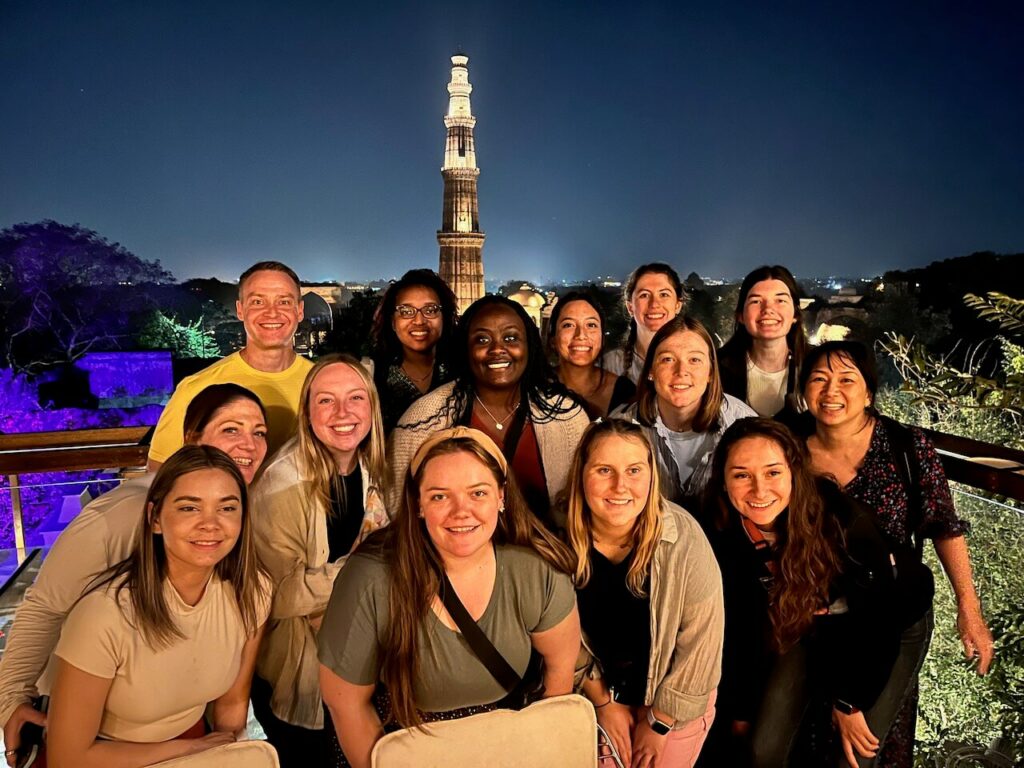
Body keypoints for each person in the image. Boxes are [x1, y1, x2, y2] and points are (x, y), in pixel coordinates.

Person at [0, 384, 269, 765]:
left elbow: (230, 701)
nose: (249, 445)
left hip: (177, 729)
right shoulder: (112, 523)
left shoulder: (240, 559)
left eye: (259, 432)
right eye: (231, 429)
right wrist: (12, 697)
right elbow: (44, 608)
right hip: (93, 727)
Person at [318, 427, 582, 768]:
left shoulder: (536, 571)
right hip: (404, 746)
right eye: (440, 496)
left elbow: (559, 679)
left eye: (478, 493)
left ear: (501, 496)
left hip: (508, 743)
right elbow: (346, 704)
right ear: (418, 504)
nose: (461, 512)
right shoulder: (370, 578)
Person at [799, 340, 993, 768]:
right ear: (803, 391)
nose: (832, 390)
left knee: (869, 748)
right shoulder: (788, 447)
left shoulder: (906, 446)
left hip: (889, 620)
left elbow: (944, 526)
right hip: (817, 624)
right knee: (814, 740)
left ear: (869, 392)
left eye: (847, 380)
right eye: (819, 379)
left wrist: (969, 608)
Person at [705, 418, 933, 768]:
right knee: (762, 748)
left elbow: (877, 620)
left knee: (854, 755)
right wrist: (741, 710)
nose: (759, 490)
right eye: (741, 475)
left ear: (794, 471)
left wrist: (847, 702)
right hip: (809, 624)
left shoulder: (843, 524)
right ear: (723, 481)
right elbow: (741, 631)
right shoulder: (722, 535)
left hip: (888, 624)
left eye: (772, 473)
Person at [250, 354, 389, 768]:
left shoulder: (372, 469)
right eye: (326, 401)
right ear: (307, 413)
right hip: (300, 675)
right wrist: (365, 565)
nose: (343, 413)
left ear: (372, 408)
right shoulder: (282, 485)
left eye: (355, 399)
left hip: (361, 661)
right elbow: (281, 595)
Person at [566, 420, 723, 768]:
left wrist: (659, 721)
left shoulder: (682, 537)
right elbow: (556, 632)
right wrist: (603, 702)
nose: (620, 485)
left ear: (652, 475)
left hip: (674, 697)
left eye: (634, 470)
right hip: (596, 692)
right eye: (604, 469)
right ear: (582, 474)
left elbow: (702, 641)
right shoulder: (556, 540)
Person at [389, 295, 589, 526]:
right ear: (465, 348)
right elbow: (398, 515)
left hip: (548, 558)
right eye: (482, 340)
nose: (497, 349)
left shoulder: (567, 418)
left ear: (529, 345)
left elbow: (583, 511)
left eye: (511, 338)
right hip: (449, 558)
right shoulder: (422, 422)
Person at [147, 261, 312, 471]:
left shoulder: (322, 385)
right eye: (258, 302)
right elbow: (158, 476)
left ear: (299, 310)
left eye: (284, 302)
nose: (272, 313)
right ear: (240, 310)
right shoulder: (197, 389)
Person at [614, 316, 756, 510]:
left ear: (710, 372)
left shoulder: (745, 424)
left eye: (695, 360)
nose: (681, 371)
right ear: (650, 371)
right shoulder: (620, 428)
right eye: (668, 359)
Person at [367, 268, 458, 433]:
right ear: (393, 322)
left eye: (430, 310)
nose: (419, 320)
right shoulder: (373, 378)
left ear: (445, 317)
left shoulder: (462, 374)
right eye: (406, 311)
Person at [717, 265, 808, 420]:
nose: (768, 309)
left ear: (795, 315)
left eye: (780, 300)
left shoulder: (815, 365)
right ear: (740, 315)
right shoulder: (716, 368)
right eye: (756, 301)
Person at [548, 290, 635, 419]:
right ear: (553, 340)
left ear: (602, 338)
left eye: (591, 325)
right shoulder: (535, 389)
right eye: (568, 325)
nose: (581, 335)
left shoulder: (625, 392)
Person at [604, 263, 685, 384]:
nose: (654, 304)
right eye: (644, 295)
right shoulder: (609, 366)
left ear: (678, 305)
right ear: (630, 307)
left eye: (664, 294)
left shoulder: (697, 361)